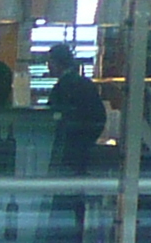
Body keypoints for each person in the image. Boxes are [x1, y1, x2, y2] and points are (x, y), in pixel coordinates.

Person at [43, 45, 107, 175]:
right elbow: (100, 116)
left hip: (66, 149)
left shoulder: (61, 88)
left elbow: (51, 117)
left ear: (56, 63)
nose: (48, 66)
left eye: (49, 62)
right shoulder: (85, 84)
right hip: (83, 147)